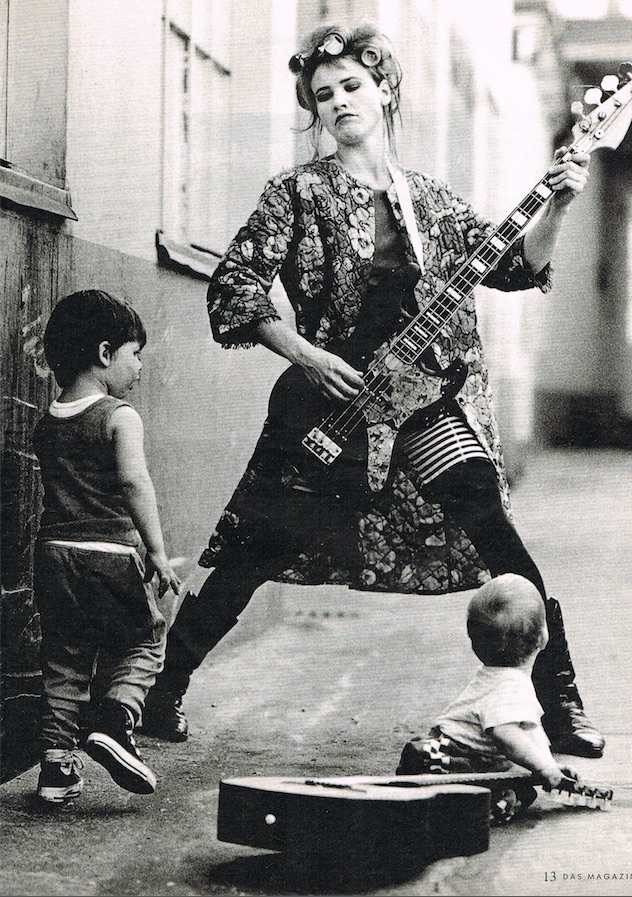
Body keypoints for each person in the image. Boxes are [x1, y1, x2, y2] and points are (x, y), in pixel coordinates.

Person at [142, 23, 604, 760]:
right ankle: (163, 689)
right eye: (323, 95)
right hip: (333, 409)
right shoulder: (298, 193)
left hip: (425, 407)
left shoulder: (433, 202)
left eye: (352, 86)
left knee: (497, 532)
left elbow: (516, 266)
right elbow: (234, 286)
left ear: (384, 90)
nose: (338, 102)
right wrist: (305, 355)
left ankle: (561, 702)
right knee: (258, 546)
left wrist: (561, 204)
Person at [32, 290, 181, 803]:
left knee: (65, 658)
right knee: (146, 639)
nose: (138, 366)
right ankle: (115, 720)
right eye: (134, 354)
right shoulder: (120, 415)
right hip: (110, 553)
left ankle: (56, 769)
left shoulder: (47, 422)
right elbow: (136, 484)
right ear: (103, 354)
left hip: (53, 553)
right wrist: (156, 551)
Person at [396, 573, 581, 821]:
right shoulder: (511, 686)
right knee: (514, 794)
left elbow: (531, 731)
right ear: (543, 638)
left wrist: (550, 765)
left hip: (437, 751)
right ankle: (451, 812)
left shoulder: (497, 676)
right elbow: (506, 734)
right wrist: (544, 768)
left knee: (519, 783)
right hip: (453, 759)